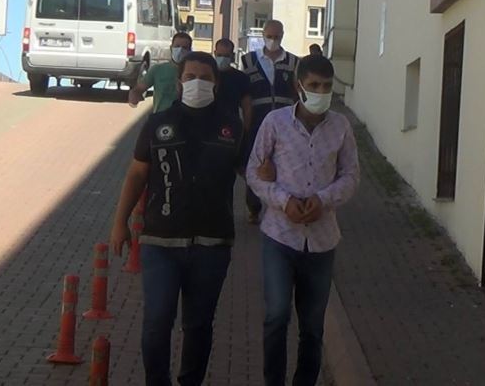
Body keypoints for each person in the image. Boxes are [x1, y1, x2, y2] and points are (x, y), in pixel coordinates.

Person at [110, 52, 243, 386]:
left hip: (213, 244)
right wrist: (119, 222)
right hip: (160, 242)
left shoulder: (231, 126)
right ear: (179, 83)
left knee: (198, 325)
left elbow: (252, 172)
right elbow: (137, 174)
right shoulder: (158, 123)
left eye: (205, 77)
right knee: (157, 322)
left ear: (216, 83)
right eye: (190, 77)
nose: (197, 83)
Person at [247, 54, 359, 386]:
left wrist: (323, 200)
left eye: (326, 86)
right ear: (299, 87)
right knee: (276, 315)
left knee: (312, 327)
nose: (320, 92)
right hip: (279, 236)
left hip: (322, 242)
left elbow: (351, 176)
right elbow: (254, 172)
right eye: (314, 85)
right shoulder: (275, 123)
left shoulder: (341, 127)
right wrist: (283, 201)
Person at [240, 20, 300, 224]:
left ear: (282, 36)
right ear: (263, 35)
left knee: (286, 164)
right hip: (257, 122)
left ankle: (284, 205)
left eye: (277, 36)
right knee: (256, 165)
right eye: (269, 36)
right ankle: (254, 208)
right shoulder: (249, 61)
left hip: (285, 123)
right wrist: (246, 125)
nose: (273, 40)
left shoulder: (293, 62)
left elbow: (297, 92)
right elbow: (245, 95)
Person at [129, 32, 193, 113]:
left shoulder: (195, 73)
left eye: (184, 48)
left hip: (185, 118)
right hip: (161, 117)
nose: (180, 50)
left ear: (190, 50)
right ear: (171, 48)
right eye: (177, 46)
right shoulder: (158, 70)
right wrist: (134, 95)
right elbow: (139, 89)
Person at [214, 38, 252, 133]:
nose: (222, 59)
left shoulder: (241, 78)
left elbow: (247, 106)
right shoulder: (208, 74)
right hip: (210, 122)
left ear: (232, 56)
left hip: (232, 125)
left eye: (226, 56)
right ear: (215, 53)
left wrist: (246, 130)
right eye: (219, 55)